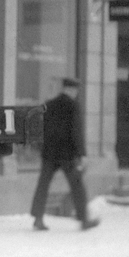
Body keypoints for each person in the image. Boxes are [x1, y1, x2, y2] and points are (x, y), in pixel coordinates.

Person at [31, 77, 99, 231]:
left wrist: (42, 147)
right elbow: (76, 131)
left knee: (43, 185)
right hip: (67, 154)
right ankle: (84, 219)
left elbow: (40, 128)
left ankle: (38, 218)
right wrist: (82, 154)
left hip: (49, 152)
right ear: (72, 90)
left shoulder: (49, 104)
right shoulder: (73, 106)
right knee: (77, 186)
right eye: (76, 90)